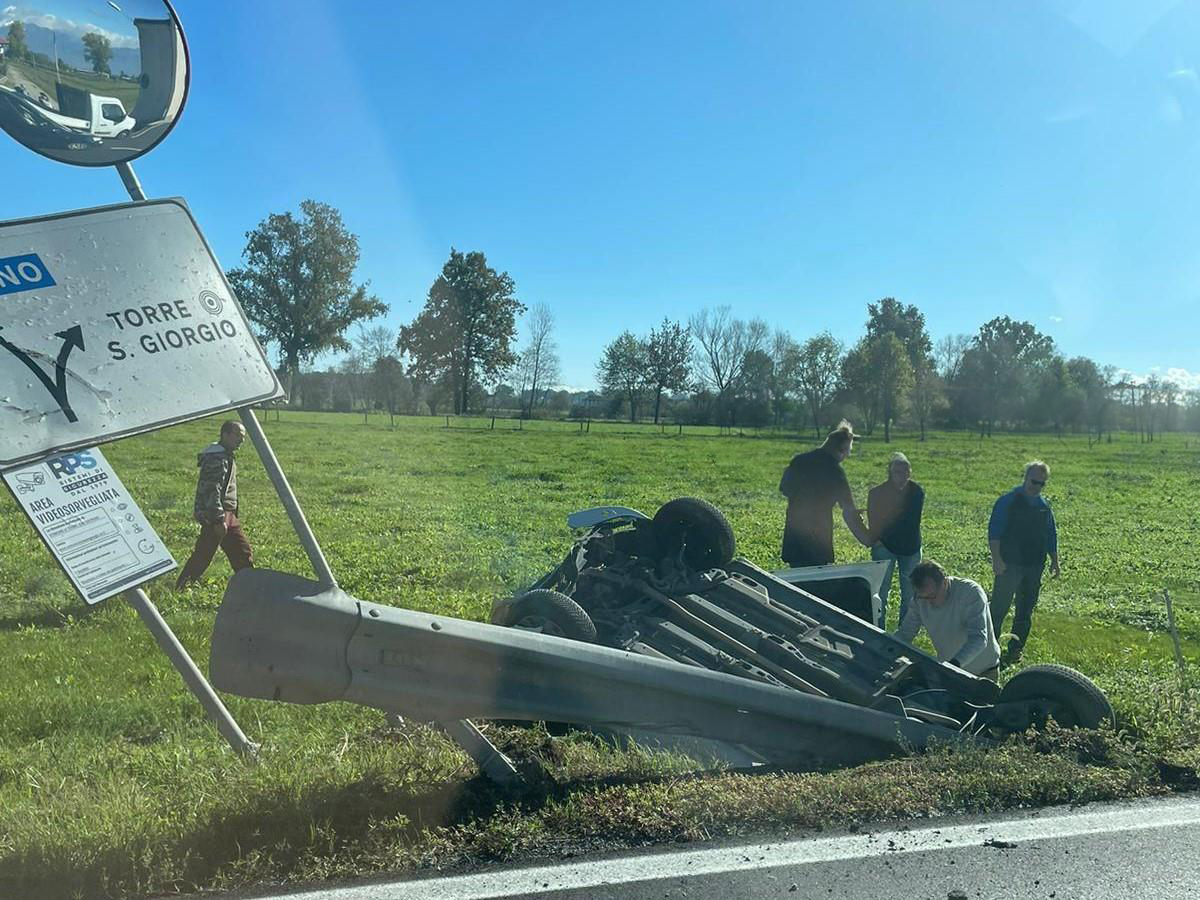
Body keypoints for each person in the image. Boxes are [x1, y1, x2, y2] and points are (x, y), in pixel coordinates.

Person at [988, 460, 1059, 664]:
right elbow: (995, 532)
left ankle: (1015, 650)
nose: (1037, 487)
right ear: (1026, 477)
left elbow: (1051, 534)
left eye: (1041, 484)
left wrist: (1055, 561)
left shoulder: (1044, 507)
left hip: (1034, 565)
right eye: (1034, 481)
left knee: (1025, 609)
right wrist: (997, 559)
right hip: (1009, 564)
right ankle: (989, 649)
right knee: (999, 609)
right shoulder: (1008, 501)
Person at [778, 420, 873, 568]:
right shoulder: (836, 472)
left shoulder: (798, 461)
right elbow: (848, 511)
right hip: (818, 540)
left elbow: (784, 489)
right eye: (848, 451)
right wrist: (867, 539)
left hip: (794, 535)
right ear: (842, 449)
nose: (846, 456)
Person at [175, 420, 254, 588]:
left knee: (242, 552)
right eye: (238, 436)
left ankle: (249, 587)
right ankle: (182, 586)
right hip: (218, 515)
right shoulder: (216, 458)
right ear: (225, 434)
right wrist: (218, 520)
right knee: (204, 554)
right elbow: (212, 490)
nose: (241, 440)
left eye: (243, 437)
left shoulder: (225, 455)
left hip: (228, 515)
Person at [895, 559, 1001, 680]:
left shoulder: (970, 593)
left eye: (932, 596)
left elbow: (979, 638)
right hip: (951, 673)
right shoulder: (919, 601)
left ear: (945, 582)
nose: (928, 602)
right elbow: (905, 633)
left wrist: (953, 665)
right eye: (922, 597)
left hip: (983, 673)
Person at [867, 452, 925, 629]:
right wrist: (877, 541)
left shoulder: (916, 492)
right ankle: (878, 627)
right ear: (890, 472)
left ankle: (904, 633)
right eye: (898, 472)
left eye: (906, 472)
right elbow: (873, 519)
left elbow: (910, 521)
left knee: (910, 593)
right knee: (881, 591)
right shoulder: (877, 493)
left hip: (910, 547)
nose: (903, 476)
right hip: (885, 546)